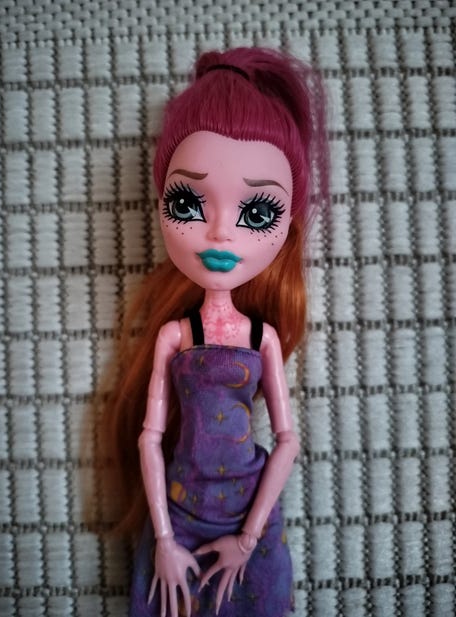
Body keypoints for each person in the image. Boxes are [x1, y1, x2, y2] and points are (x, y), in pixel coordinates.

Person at [100, 47, 328, 617]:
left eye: (257, 214)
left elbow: (288, 441)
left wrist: (248, 539)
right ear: (161, 204)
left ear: (287, 225)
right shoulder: (175, 335)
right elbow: (150, 439)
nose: (221, 233)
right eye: (187, 202)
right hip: (179, 511)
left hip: (250, 513)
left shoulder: (262, 339)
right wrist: (165, 540)